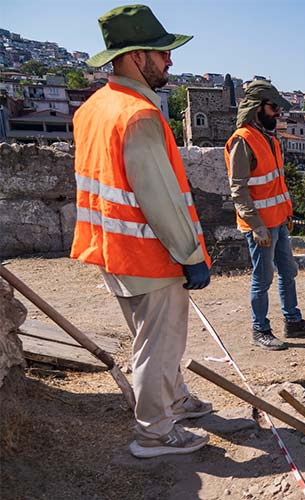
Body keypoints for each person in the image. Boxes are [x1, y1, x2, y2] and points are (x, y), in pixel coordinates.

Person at [70, 4, 212, 458]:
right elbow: (162, 200)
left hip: (111, 248)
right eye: (162, 53)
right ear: (135, 57)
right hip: (149, 254)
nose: (170, 61)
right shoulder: (139, 115)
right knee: (158, 344)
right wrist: (191, 255)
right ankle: (154, 433)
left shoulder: (93, 108)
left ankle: (174, 400)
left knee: (151, 338)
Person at [225, 80, 305, 350]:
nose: (278, 113)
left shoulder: (269, 138)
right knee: (262, 278)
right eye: (273, 107)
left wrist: (287, 213)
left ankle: (292, 321)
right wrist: (256, 225)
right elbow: (239, 189)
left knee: (288, 271)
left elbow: (277, 183)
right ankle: (260, 330)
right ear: (258, 108)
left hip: (278, 220)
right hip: (260, 226)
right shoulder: (242, 141)